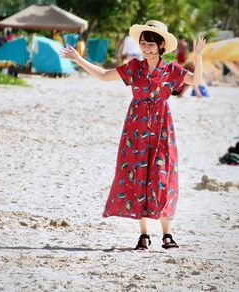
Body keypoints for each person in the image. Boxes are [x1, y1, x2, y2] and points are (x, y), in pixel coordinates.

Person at [60, 20, 206, 250]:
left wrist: (198, 56)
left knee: (160, 177)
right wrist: (78, 59)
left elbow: (196, 80)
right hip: (135, 129)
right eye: (143, 43)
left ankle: (167, 234)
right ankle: (144, 235)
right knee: (139, 177)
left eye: (150, 44)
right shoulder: (134, 67)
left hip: (161, 129)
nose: (146, 47)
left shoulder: (170, 71)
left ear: (161, 46)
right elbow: (104, 75)